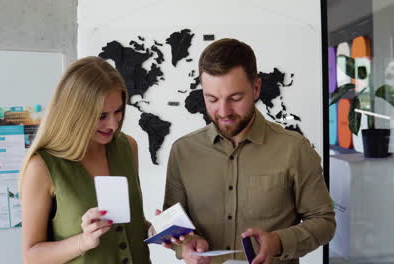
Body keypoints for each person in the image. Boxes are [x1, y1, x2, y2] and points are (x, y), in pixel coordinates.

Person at [162, 38, 336, 264]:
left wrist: (279, 241)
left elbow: (324, 221)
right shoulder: (182, 151)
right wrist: (184, 245)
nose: (223, 111)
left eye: (235, 98)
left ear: (256, 88)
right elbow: (172, 224)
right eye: (212, 99)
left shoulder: (295, 149)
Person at [20, 56, 150, 264]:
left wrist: (162, 230)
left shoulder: (128, 147)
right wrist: (83, 241)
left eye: (118, 111)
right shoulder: (42, 167)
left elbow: (132, 224)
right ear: (74, 113)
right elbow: (31, 256)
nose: (114, 125)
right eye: (101, 116)